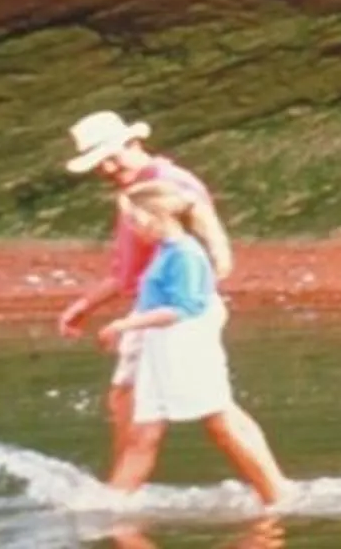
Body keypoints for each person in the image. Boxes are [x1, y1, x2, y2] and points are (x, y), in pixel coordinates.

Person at [54, 111, 280, 483]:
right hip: (157, 308)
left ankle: (274, 496)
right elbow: (127, 271)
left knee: (212, 414)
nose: (108, 168)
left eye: (113, 156)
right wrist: (84, 306)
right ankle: (121, 494)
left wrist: (128, 320)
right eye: (99, 164)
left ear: (134, 144)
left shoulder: (162, 189)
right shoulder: (140, 193)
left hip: (173, 314)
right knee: (134, 402)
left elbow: (193, 261)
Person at [97, 180, 289, 507]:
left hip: (185, 346)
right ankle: (112, 504)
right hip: (161, 347)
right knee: (145, 432)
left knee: (220, 421)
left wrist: (125, 324)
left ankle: (275, 498)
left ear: (155, 217)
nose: (130, 228)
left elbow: (183, 309)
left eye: (134, 219)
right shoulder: (168, 251)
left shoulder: (185, 254)